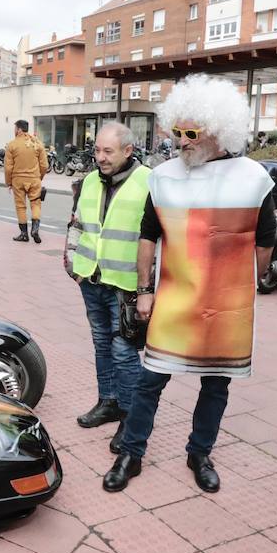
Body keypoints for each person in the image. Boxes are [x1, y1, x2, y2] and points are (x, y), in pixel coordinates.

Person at [104, 75, 275, 494]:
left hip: (225, 302)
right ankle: (132, 451)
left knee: (216, 384)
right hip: (174, 297)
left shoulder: (253, 179)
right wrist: (144, 291)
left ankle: (200, 452)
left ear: (219, 131)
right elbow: (149, 235)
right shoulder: (162, 178)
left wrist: (242, 284)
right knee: (150, 378)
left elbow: (265, 242)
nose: (181, 140)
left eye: (190, 132)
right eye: (176, 131)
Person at [67, 122, 152, 437]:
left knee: (123, 351)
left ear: (128, 151)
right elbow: (76, 224)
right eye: (97, 150)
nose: (100, 157)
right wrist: (73, 265)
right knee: (102, 344)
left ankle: (132, 416)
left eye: (108, 151)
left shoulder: (149, 182)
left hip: (126, 284)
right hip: (91, 279)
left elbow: (156, 237)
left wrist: (148, 286)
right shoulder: (89, 181)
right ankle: (109, 401)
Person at [4, 119, 48, 242]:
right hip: (34, 179)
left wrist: (9, 182)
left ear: (18, 129)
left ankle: (24, 234)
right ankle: (35, 229)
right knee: (35, 203)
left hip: (18, 180)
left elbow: (8, 168)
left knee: (20, 206)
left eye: (15, 128)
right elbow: (44, 165)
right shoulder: (37, 143)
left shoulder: (12, 145)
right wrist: (39, 177)